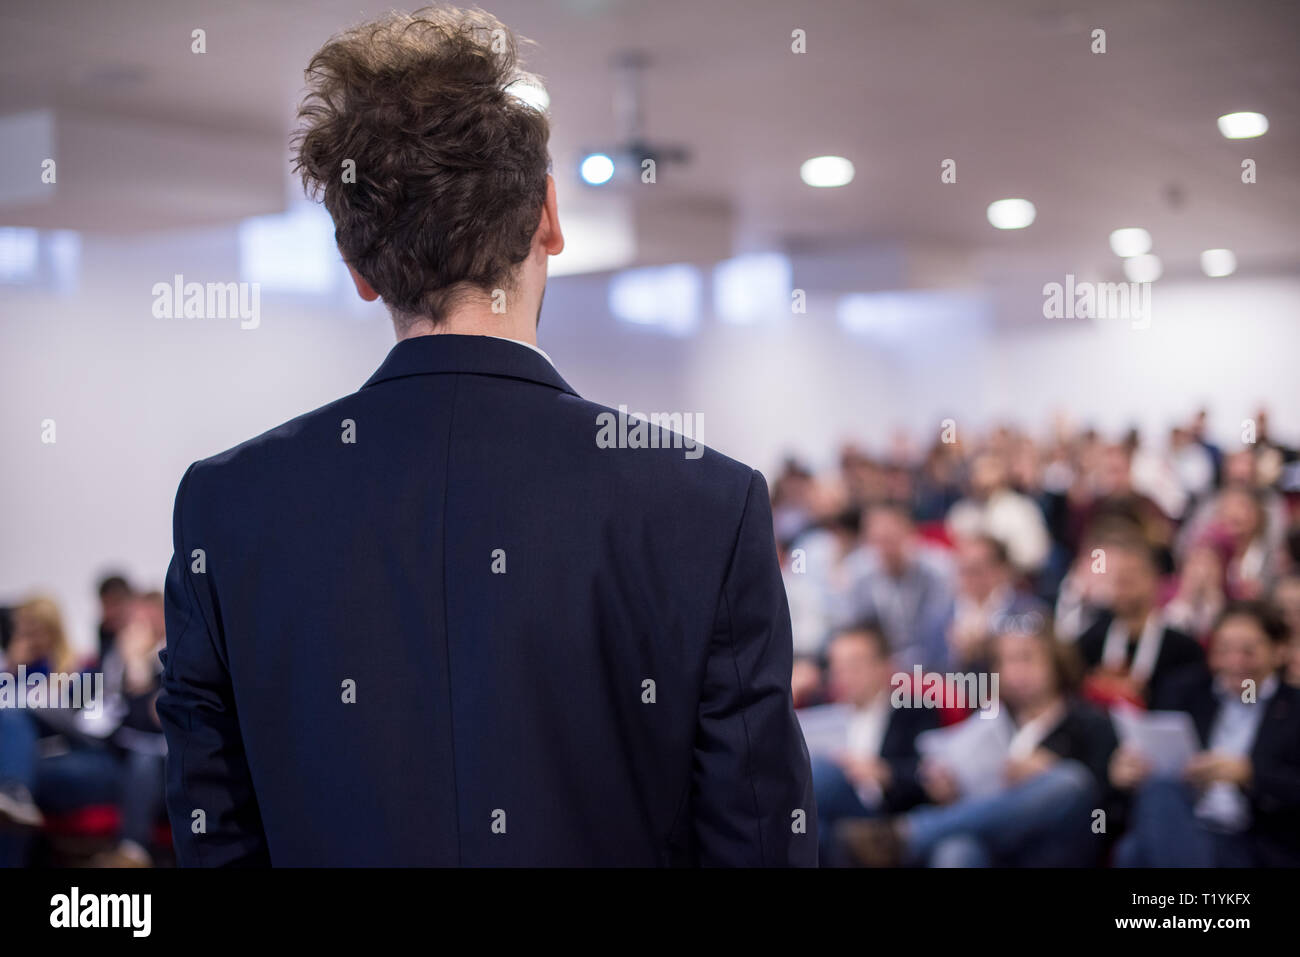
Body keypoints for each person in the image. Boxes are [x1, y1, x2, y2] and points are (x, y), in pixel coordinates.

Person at [154, 6, 815, 867]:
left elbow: (216, 838)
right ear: (548, 214)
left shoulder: (227, 506)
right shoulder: (706, 502)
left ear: (356, 267)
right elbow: (759, 844)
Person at [832, 621, 1116, 867]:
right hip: (995, 840)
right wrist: (946, 787)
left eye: (1027, 659)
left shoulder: (1090, 722)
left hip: (1053, 844)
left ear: (1055, 660)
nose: (1017, 672)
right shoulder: (990, 720)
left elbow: (1104, 803)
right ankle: (913, 834)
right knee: (956, 849)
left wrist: (1047, 773)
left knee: (1070, 781)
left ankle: (908, 834)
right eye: (1007, 662)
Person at [1112, 601, 1300, 867]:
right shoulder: (1184, 690)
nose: (1235, 662)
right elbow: (1154, 755)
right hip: (1186, 820)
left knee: (1133, 853)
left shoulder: (1293, 710)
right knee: (1159, 794)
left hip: (1254, 840)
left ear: (1279, 651)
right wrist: (1127, 771)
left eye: (1248, 651)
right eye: (1224, 650)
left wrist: (1250, 775)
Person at [810, 623, 937, 863]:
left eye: (854, 665)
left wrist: (883, 773)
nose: (844, 676)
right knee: (817, 827)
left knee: (823, 775)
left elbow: (931, 775)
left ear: (885, 666)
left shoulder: (913, 711)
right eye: (837, 667)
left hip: (884, 820)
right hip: (833, 814)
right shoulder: (821, 711)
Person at [1076, 536, 1206, 707]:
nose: (1121, 587)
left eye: (1129, 579)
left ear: (1154, 581)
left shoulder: (1183, 650)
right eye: (1116, 579)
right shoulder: (1090, 642)